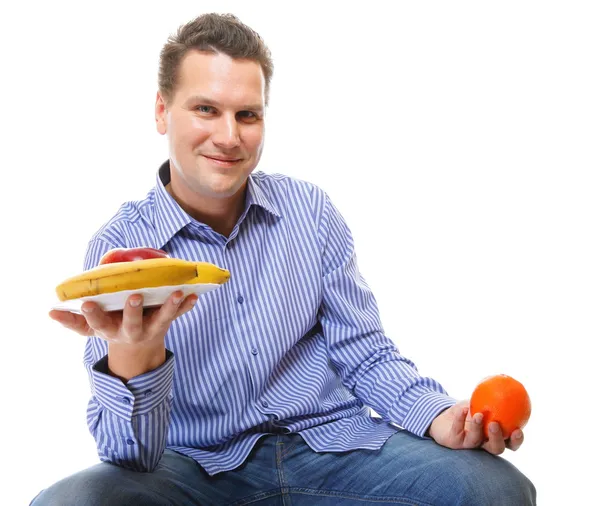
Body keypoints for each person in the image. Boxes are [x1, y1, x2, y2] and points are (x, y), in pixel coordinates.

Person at [33, 13, 536, 506]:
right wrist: (133, 358)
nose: (229, 136)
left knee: (494, 489)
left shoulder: (309, 212)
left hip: (330, 449)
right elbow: (131, 458)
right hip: (195, 469)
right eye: (205, 109)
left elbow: (364, 352)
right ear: (162, 111)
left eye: (247, 115)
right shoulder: (121, 249)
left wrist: (439, 416)